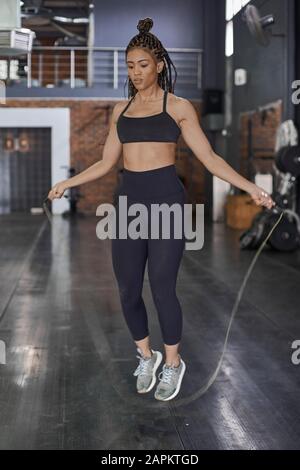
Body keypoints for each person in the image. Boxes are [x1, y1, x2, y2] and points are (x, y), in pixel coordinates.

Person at [47, 17, 275, 402]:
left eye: (143, 65)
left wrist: (249, 186)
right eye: (130, 66)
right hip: (127, 204)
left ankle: (172, 363)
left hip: (167, 201)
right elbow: (105, 164)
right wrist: (67, 183)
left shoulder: (180, 107)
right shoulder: (121, 111)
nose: (136, 73)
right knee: (127, 289)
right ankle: (145, 356)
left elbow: (209, 158)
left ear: (159, 66)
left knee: (163, 287)